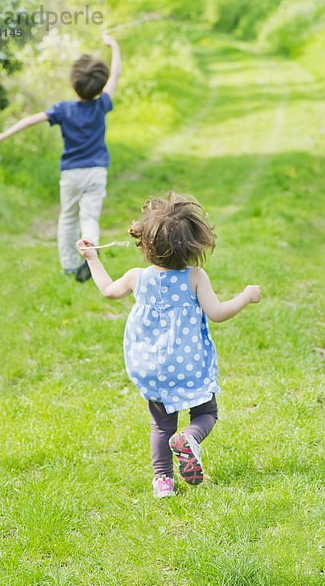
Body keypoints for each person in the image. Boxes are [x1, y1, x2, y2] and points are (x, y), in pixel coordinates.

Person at [76, 193, 262, 498]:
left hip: (151, 367)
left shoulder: (138, 277)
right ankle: (189, 439)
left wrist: (93, 259)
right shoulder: (195, 277)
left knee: (161, 426)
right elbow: (217, 313)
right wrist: (245, 296)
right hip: (188, 366)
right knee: (206, 414)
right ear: (193, 246)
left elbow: (109, 291)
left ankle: (163, 481)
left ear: (147, 245)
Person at [0, 34, 122, 282]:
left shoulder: (62, 109)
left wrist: (2, 135)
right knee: (89, 217)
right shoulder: (101, 105)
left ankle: (69, 265)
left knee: (68, 216)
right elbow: (116, 75)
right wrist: (114, 46)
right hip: (97, 171)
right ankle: (91, 258)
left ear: (74, 83)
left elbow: (30, 120)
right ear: (100, 89)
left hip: (72, 173)